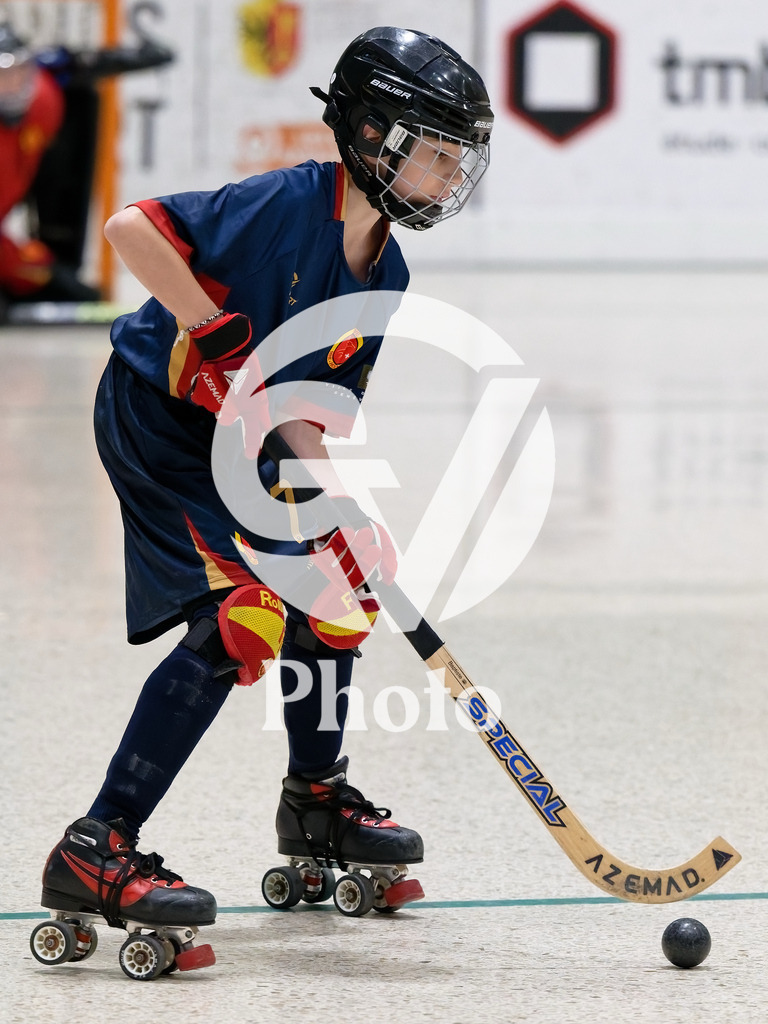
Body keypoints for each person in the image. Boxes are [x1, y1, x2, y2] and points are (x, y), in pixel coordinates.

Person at [34, 26, 493, 973]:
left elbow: (310, 415)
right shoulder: (286, 203)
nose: (451, 172)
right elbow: (132, 229)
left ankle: (315, 799)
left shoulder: (387, 274)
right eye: (434, 148)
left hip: (251, 439)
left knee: (340, 589)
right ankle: (96, 844)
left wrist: (346, 515)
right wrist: (209, 335)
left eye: (459, 155)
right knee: (241, 616)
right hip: (159, 427)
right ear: (370, 136)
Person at [0, 21, 173, 313]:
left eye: (18, 72)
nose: (14, 85)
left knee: (66, 283)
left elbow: (70, 68)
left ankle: (56, 258)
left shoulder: (43, 97)